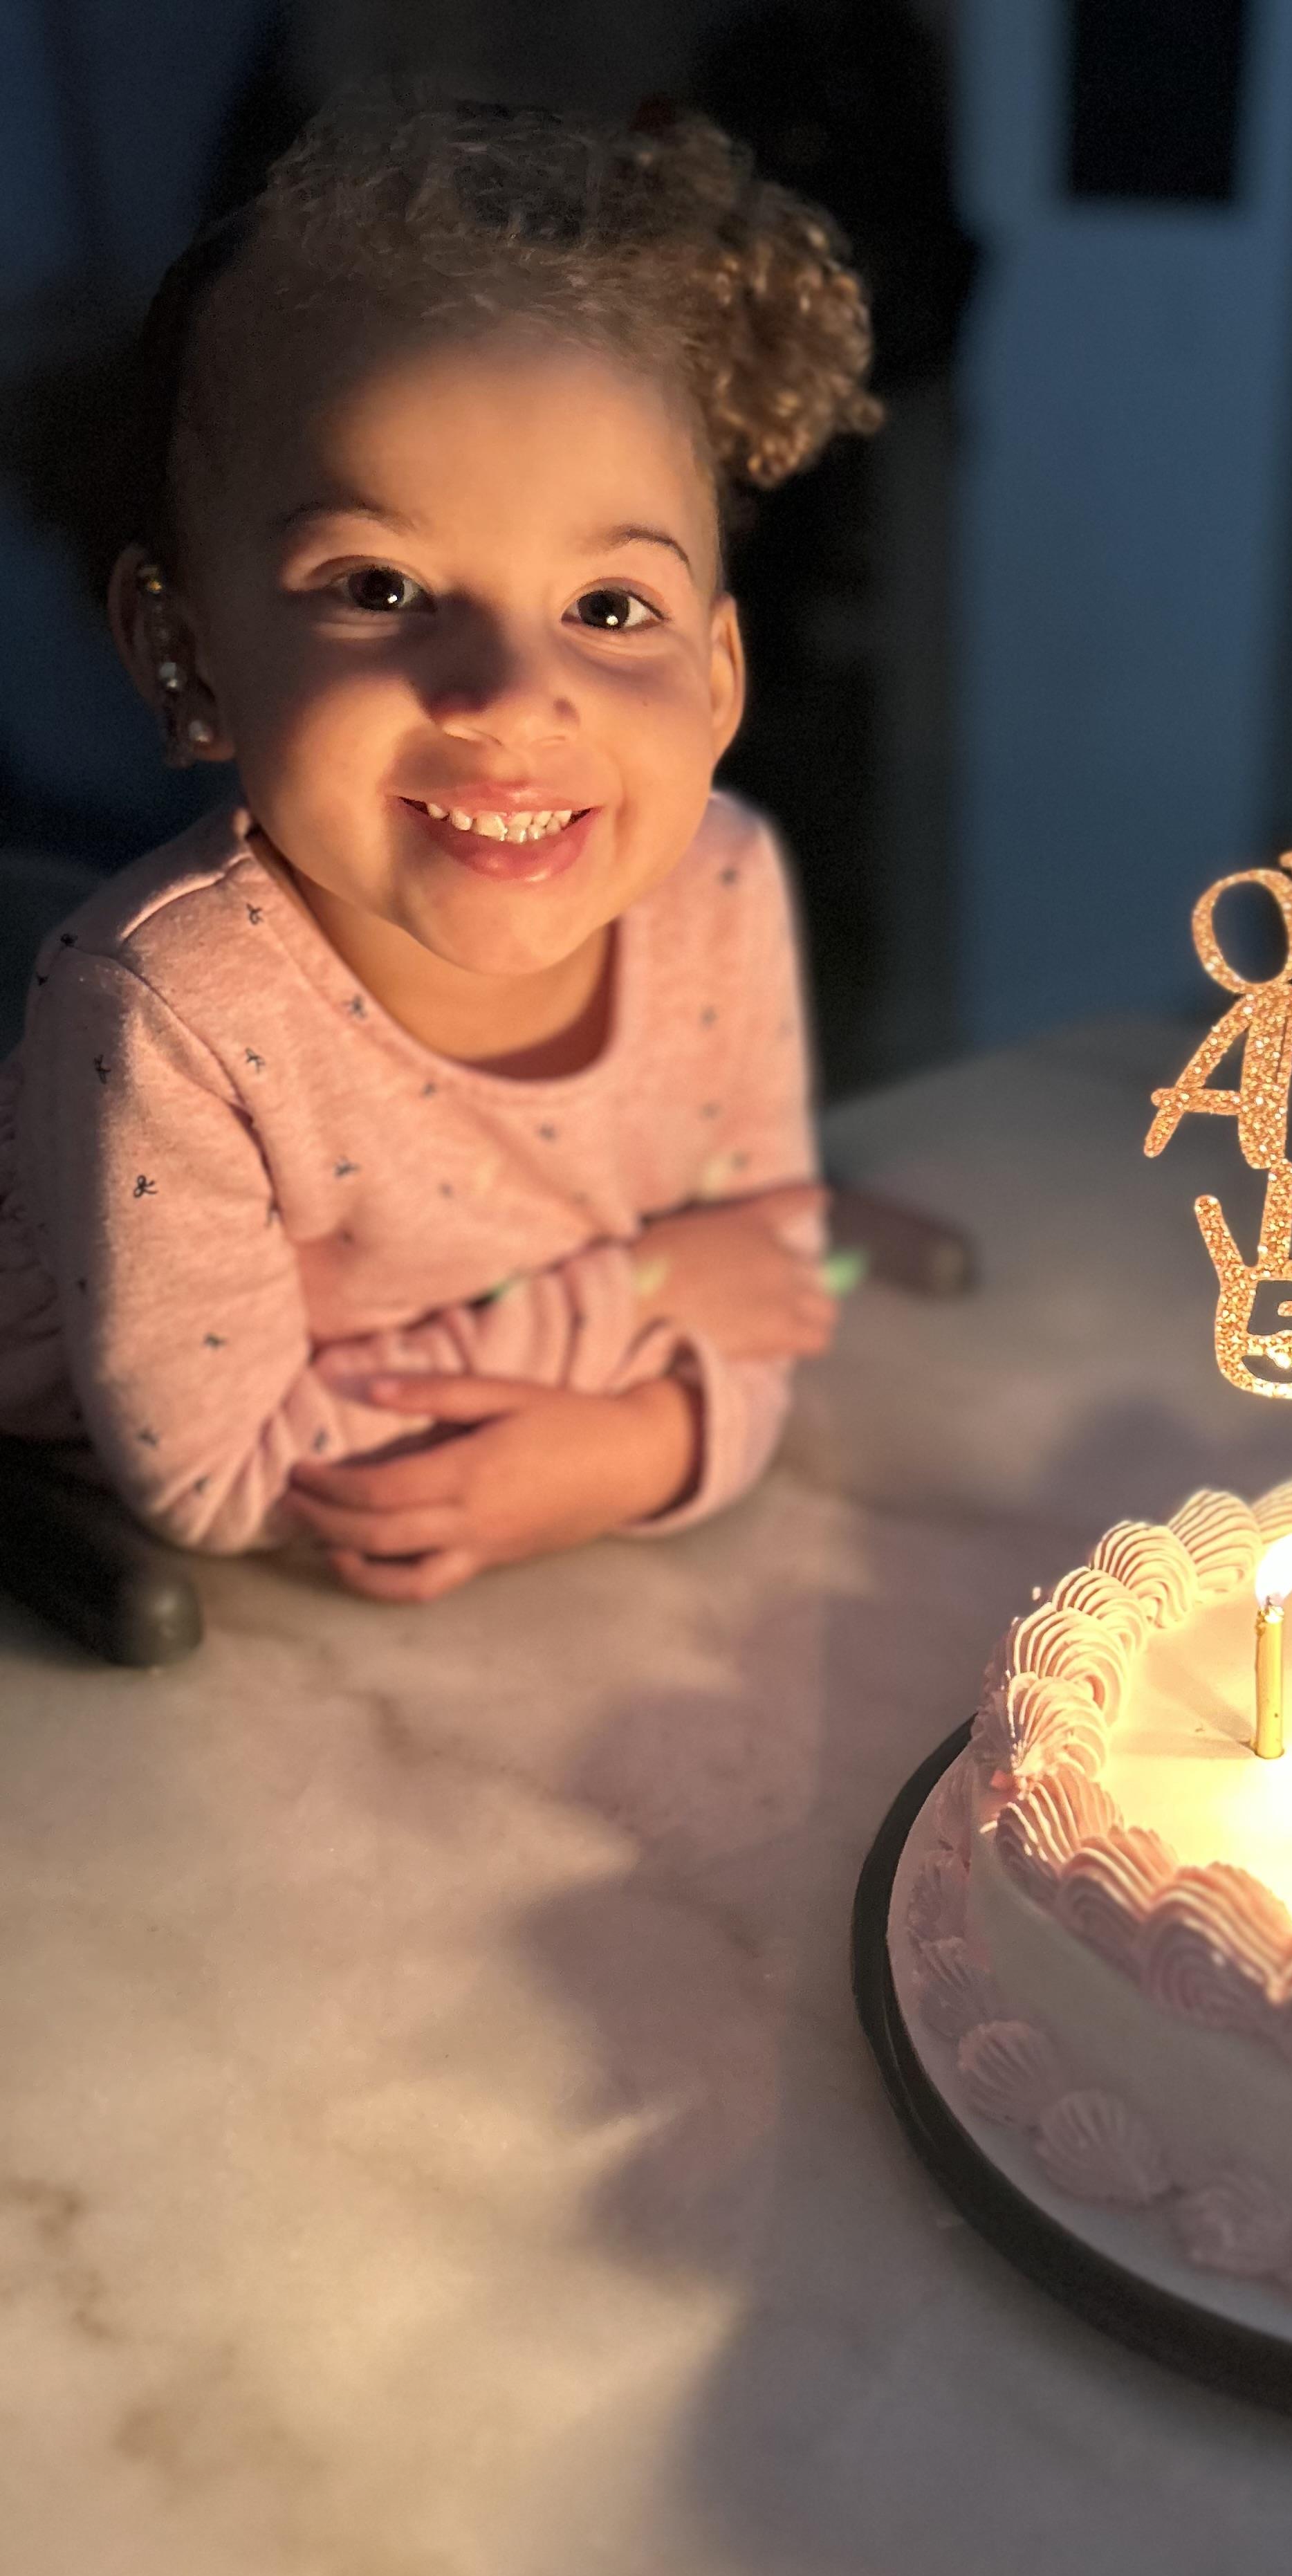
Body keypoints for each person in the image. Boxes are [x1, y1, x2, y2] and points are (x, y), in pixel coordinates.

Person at [0, 93, 878, 1601]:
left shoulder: (725, 880)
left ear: (717, 680)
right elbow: (218, 1478)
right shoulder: (163, 1008)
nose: (509, 698)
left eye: (610, 608)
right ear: (183, 648)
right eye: (380, 587)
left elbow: (786, 1280)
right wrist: (642, 1300)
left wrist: (657, 1447)